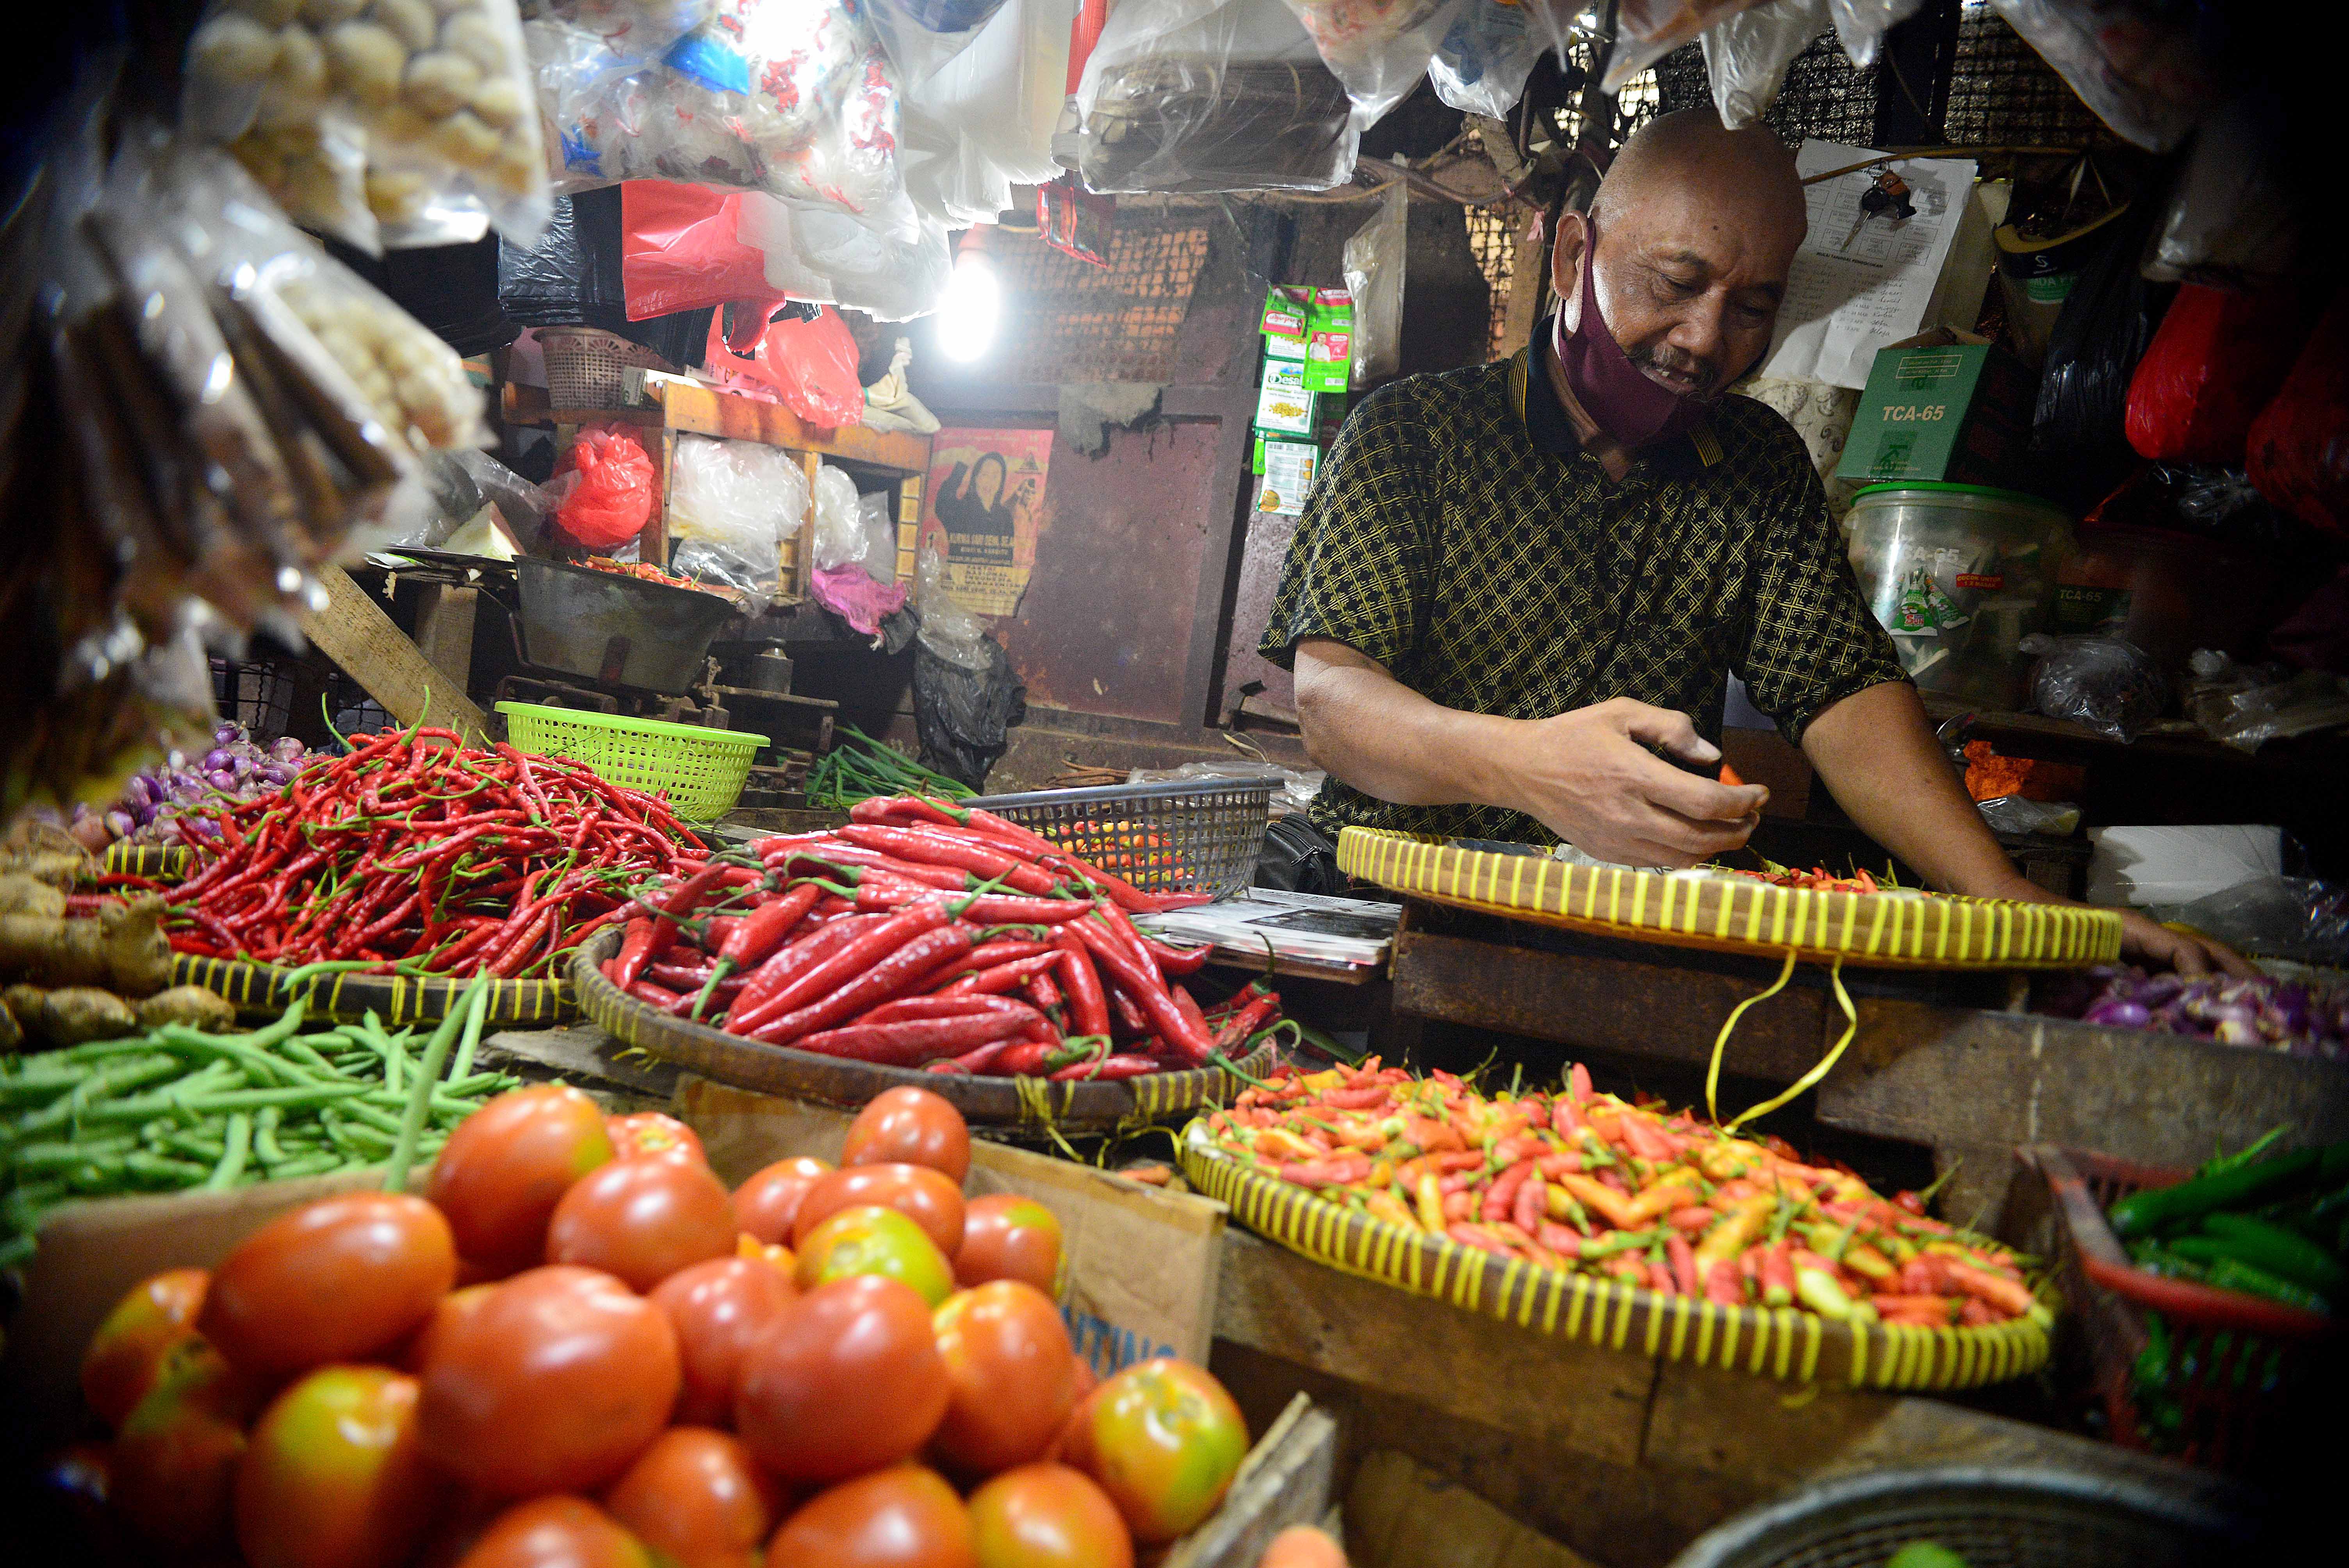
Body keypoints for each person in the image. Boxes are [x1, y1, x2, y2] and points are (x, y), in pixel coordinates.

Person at [1259, 110, 2243, 976]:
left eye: (1751, 307)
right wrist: (1527, 766)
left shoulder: (1756, 464)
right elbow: (1333, 707)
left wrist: (2006, 898)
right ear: (1571, 259)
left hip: (1630, 949)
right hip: (1393, 930)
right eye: (1674, 284)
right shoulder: (1414, 435)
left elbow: (1842, 691)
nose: (1702, 339)